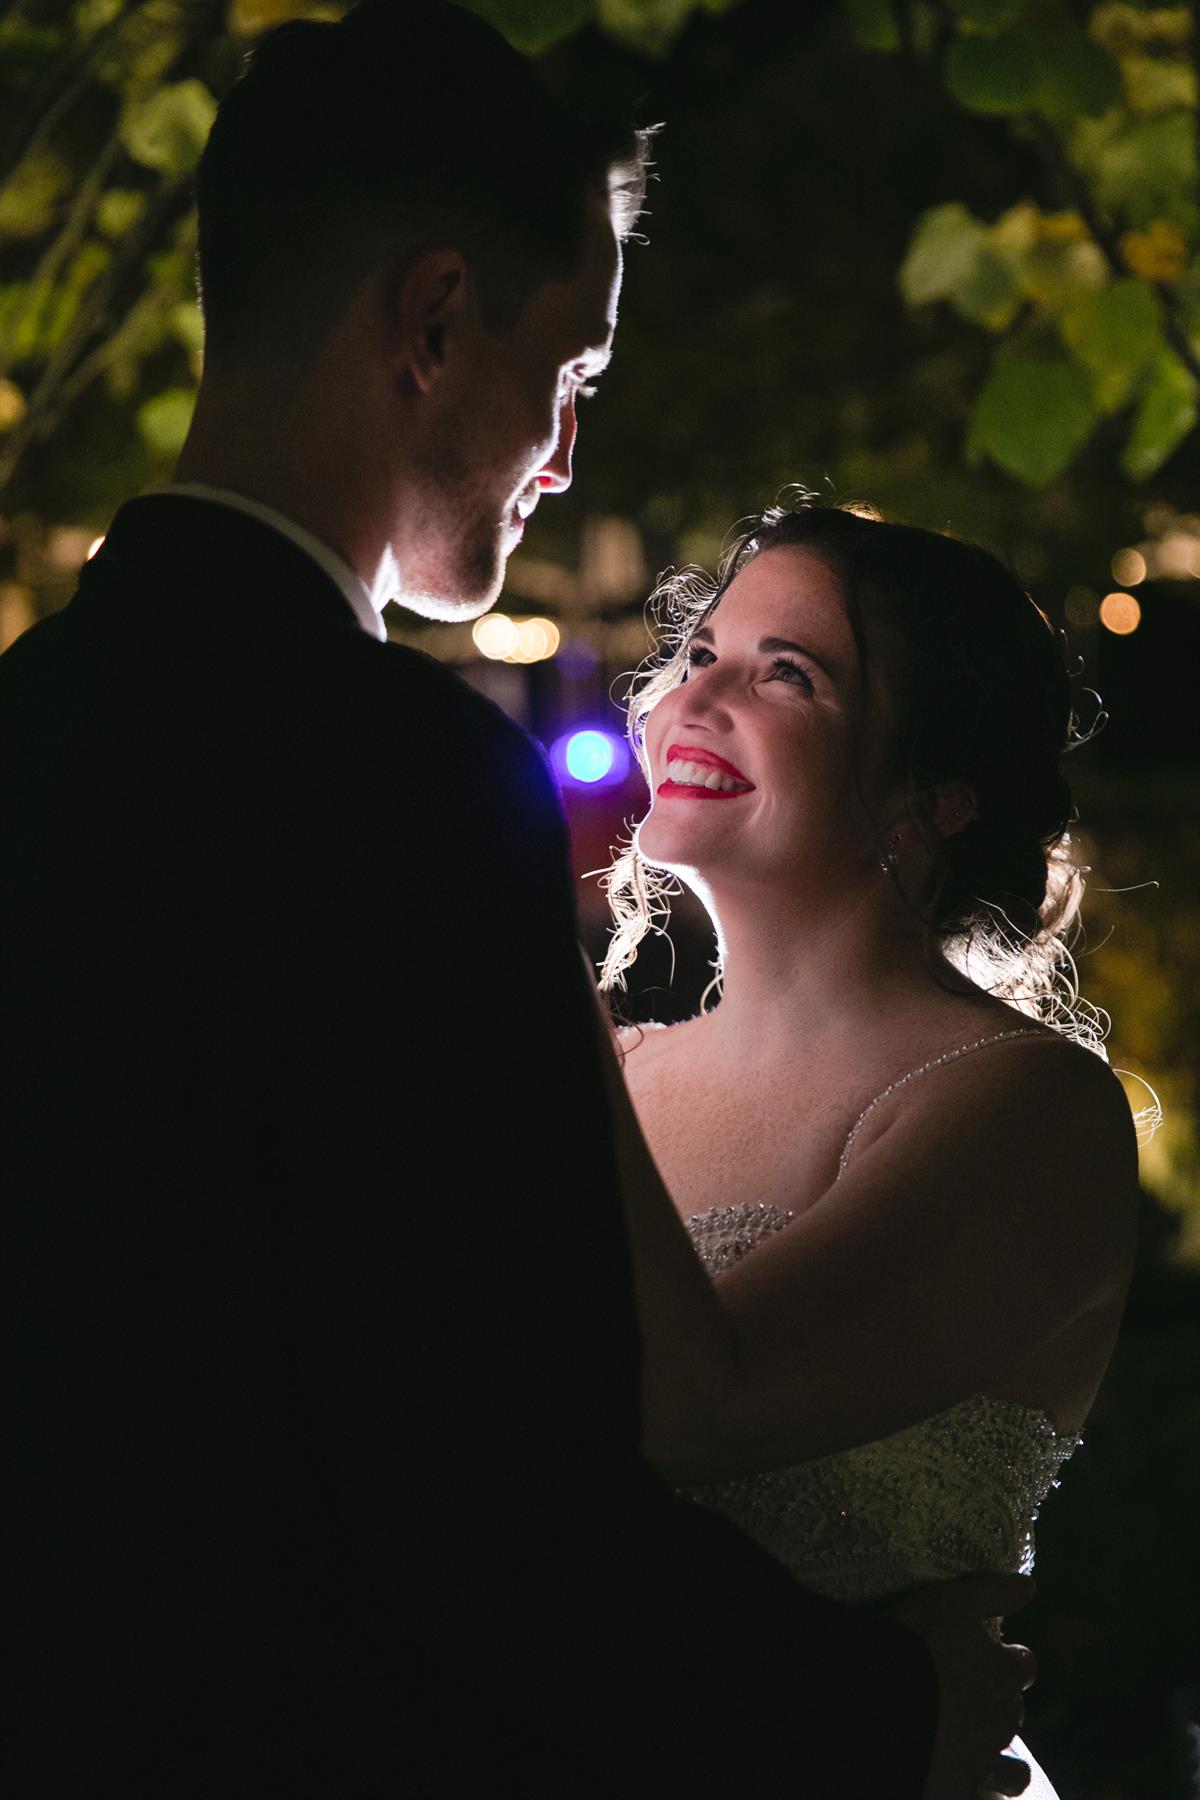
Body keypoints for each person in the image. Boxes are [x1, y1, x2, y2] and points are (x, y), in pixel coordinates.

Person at [1, 6, 1031, 1793]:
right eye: (572, 374)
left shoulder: (31, 720)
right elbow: (497, 1466)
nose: (563, 456)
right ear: (434, 321)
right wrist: (886, 1710)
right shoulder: (401, 780)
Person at [598, 496, 1142, 1798]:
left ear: (929, 796)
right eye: (702, 652)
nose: (694, 697)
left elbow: (700, 1405)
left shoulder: (1023, 1107)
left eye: (787, 674)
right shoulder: (617, 1070)